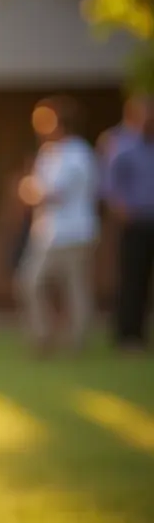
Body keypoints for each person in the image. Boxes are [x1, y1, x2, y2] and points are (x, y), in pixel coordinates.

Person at [16, 97, 99, 355]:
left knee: (75, 289)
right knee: (29, 282)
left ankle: (75, 342)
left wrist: (31, 191)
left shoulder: (78, 154)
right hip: (47, 233)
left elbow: (51, 193)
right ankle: (44, 336)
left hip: (75, 233)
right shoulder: (48, 154)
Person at [106, 96, 154, 354]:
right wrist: (123, 212)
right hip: (134, 224)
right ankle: (127, 336)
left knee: (147, 283)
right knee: (131, 281)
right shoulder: (122, 147)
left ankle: (143, 335)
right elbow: (111, 186)